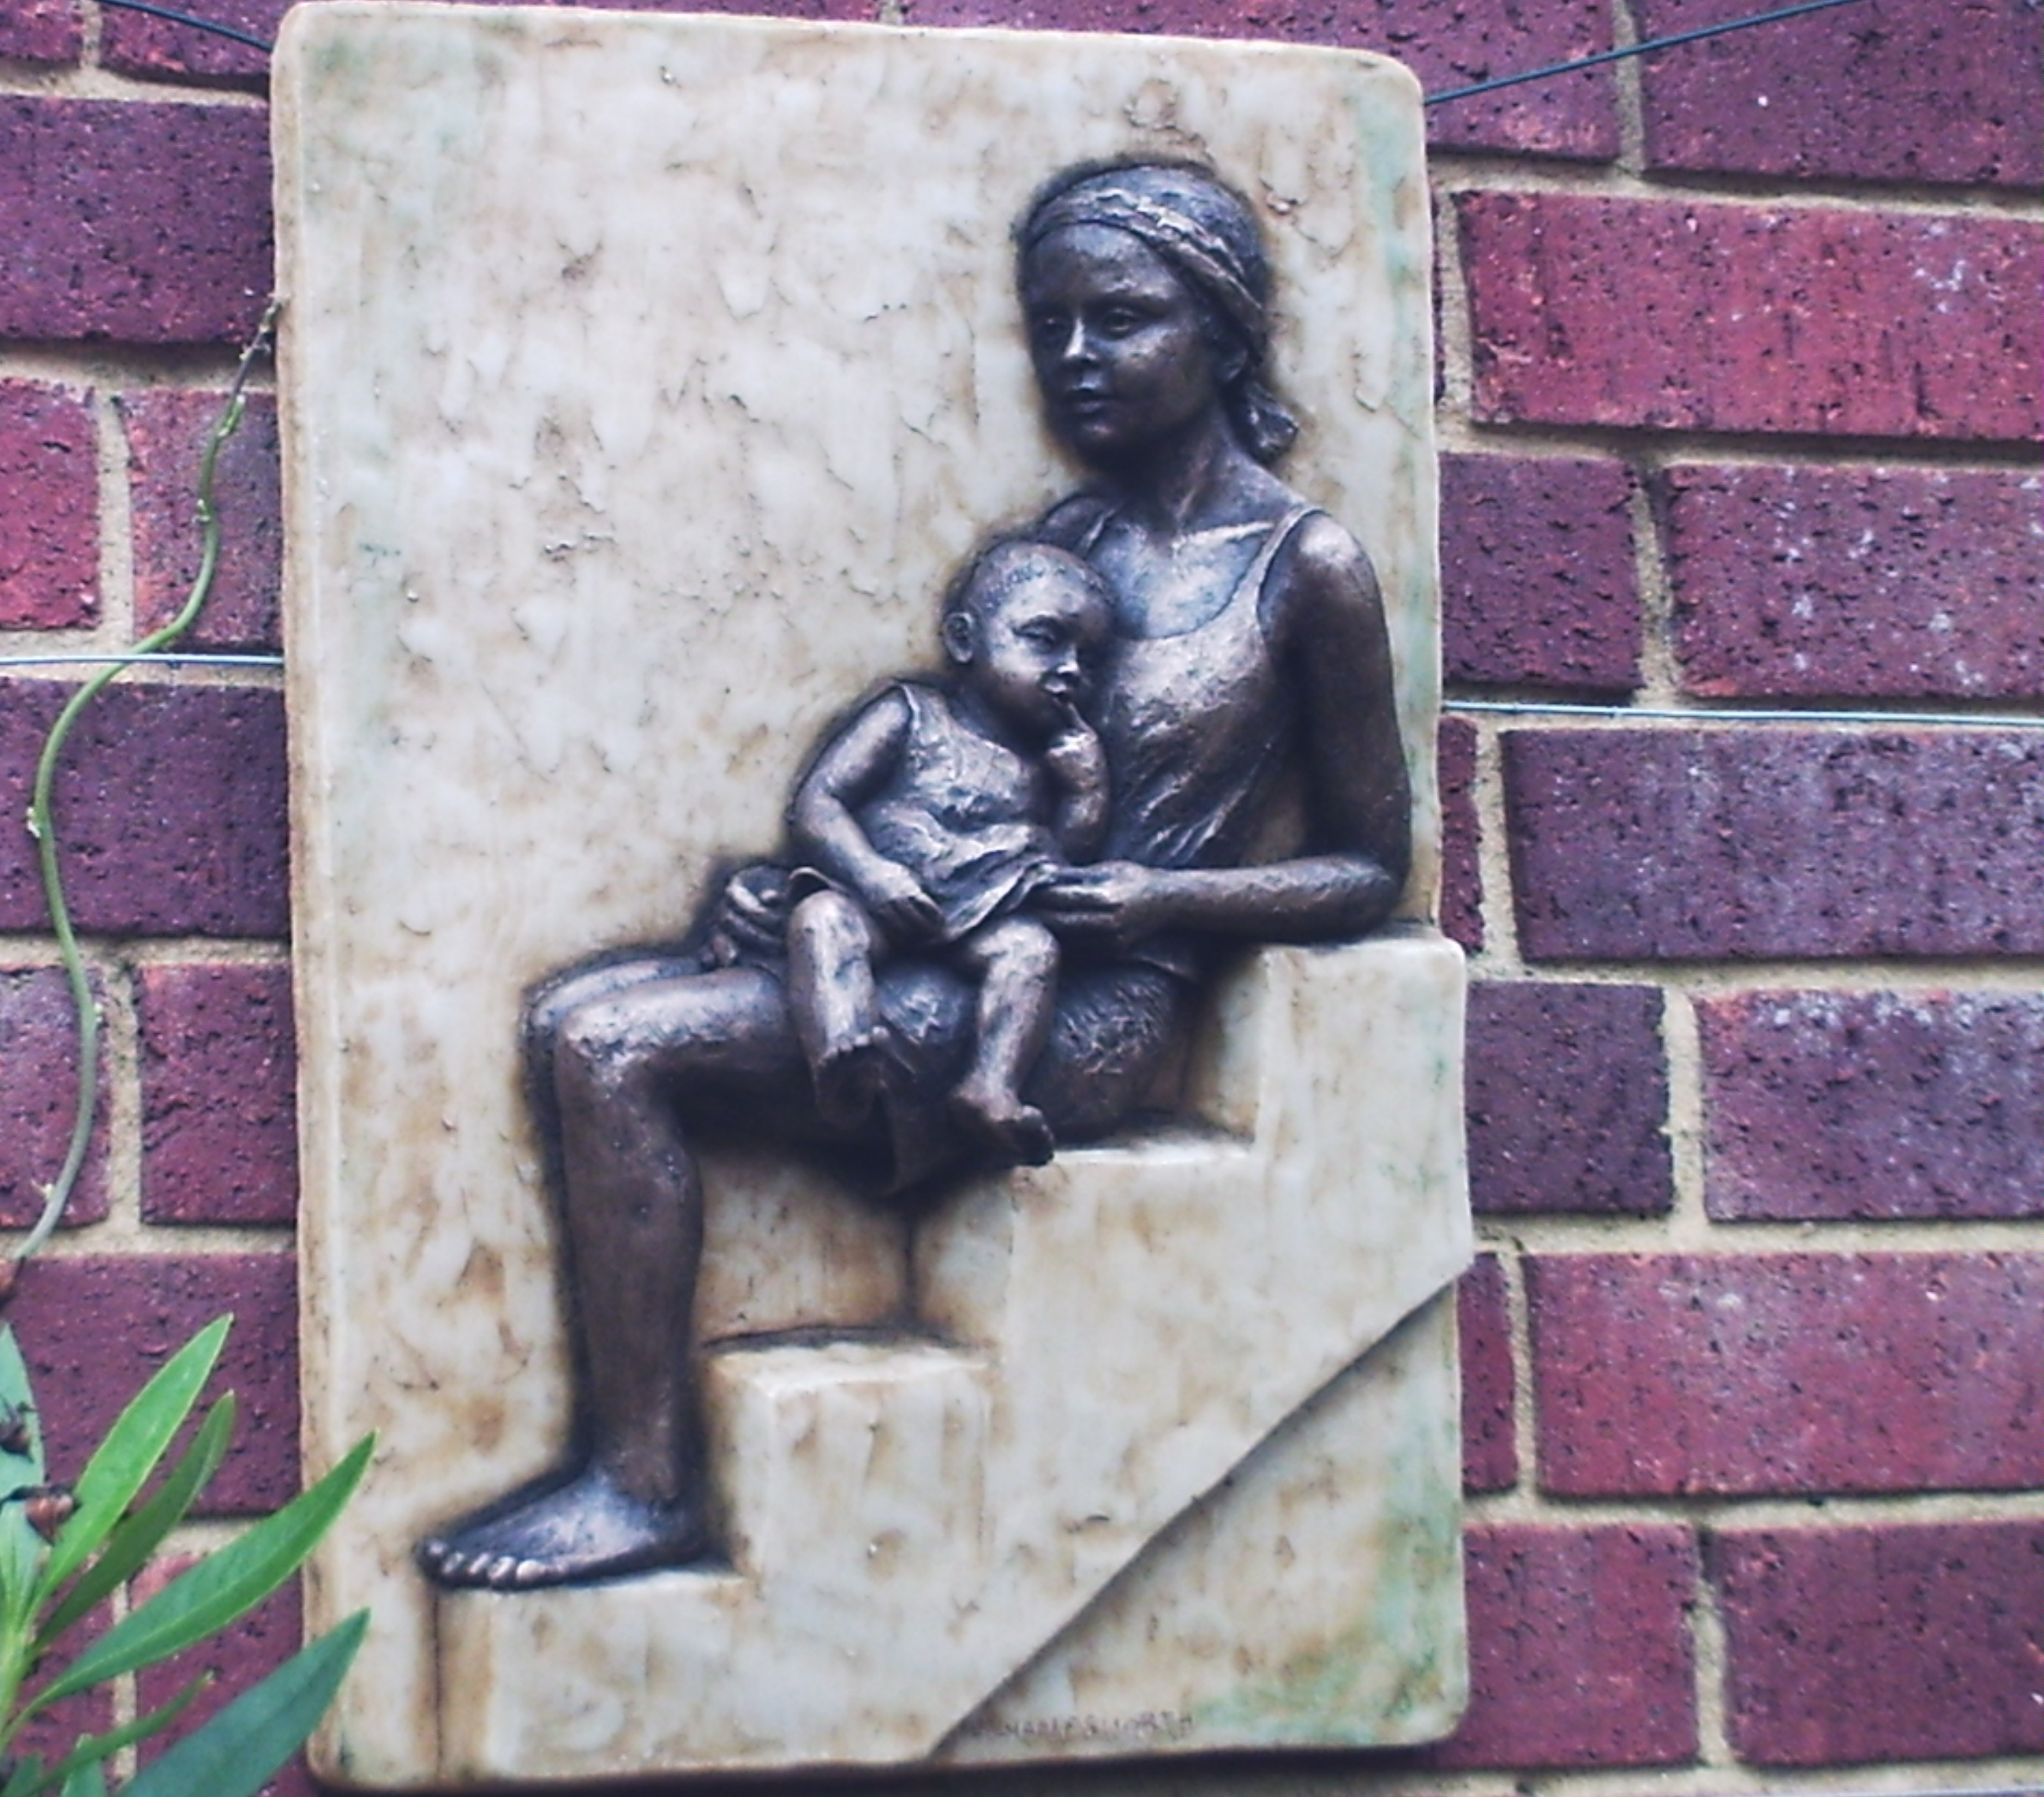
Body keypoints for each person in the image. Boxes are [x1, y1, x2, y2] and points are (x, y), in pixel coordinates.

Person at [416, 158, 1411, 1592]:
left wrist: (1163, 901)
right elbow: (958, 775)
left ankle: (641, 1484)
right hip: (942, 935)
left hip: (1078, 1004)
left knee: (610, 1044)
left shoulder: (1305, 566)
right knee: (584, 1012)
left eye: (1119, 317)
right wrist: (787, 892)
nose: (1075, 355)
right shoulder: (1063, 545)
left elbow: (1369, 866)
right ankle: (632, 1467)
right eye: (1049, 322)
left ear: (1221, 328)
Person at [783, 541, 1114, 1166]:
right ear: (964, 640)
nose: (1071, 670)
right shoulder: (909, 714)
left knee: (1030, 950)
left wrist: (1087, 792)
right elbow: (819, 802)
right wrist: (871, 875)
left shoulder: (1042, 763)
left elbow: (1060, 864)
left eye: (1088, 659)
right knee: (822, 921)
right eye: (1045, 639)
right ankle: (843, 1051)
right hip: (880, 900)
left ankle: (989, 1086)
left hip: (976, 916)